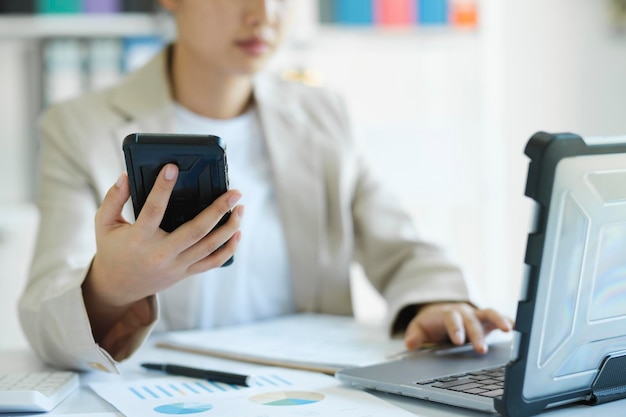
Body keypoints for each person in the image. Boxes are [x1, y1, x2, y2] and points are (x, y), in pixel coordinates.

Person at [19, 0, 512, 373]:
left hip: (303, 392)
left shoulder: (324, 114)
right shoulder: (77, 127)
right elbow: (45, 311)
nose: (265, 13)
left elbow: (403, 249)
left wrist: (435, 303)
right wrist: (112, 286)